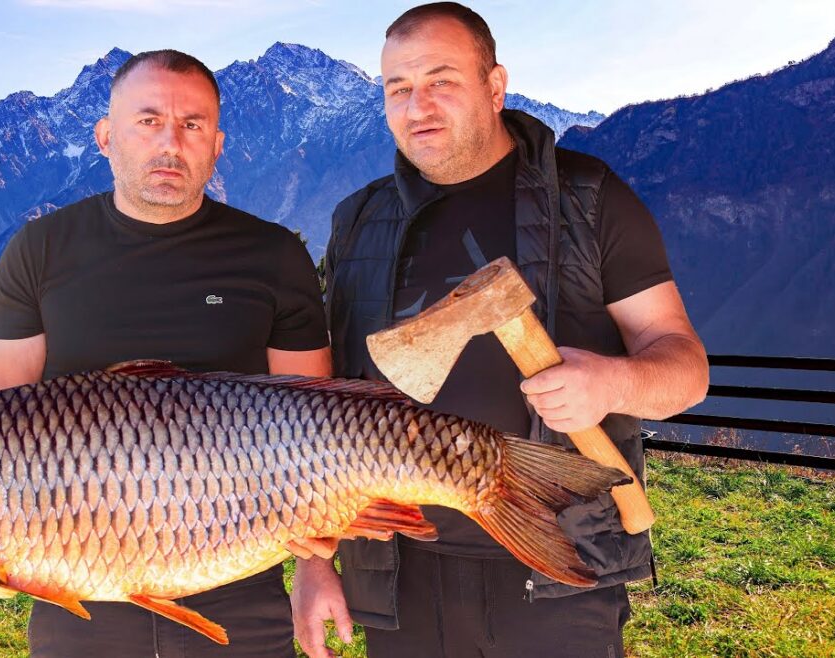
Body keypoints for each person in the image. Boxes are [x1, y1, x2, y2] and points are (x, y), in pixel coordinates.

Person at [291, 3, 709, 657]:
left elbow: (685, 367)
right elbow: (328, 405)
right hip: (400, 570)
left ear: (495, 86)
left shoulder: (588, 199)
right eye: (397, 89)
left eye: (441, 80)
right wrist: (317, 561)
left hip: (558, 567)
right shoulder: (357, 220)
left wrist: (610, 383)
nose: (417, 105)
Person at [0, 49, 331, 658]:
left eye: (192, 125)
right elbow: (0, 435)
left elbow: (319, 427)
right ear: (105, 136)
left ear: (217, 143)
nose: (170, 143)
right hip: (78, 594)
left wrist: (316, 569)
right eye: (148, 121)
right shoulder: (39, 251)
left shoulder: (274, 255)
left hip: (239, 583)